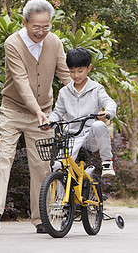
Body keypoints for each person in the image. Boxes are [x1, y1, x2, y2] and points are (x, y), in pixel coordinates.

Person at [0, 0, 71, 234]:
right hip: (13, 110)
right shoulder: (13, 43)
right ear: (25, 23)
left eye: (46, 27)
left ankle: (40, 218)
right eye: (36, 27)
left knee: (41, 166)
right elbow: (20, 81)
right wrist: (36, 111)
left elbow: (65, 75)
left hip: (43, 115)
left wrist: (85, 98)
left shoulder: (54, 42)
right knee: (5, 158)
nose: (42, 32)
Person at [42, 47, 117, 177]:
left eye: (80, 71)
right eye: (72, 71)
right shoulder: (64, 92)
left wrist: (108, 112)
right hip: (71, 138)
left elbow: (109, 102)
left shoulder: (97, 89)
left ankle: (107, 162)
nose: (76, 75)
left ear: (89, 68)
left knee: (98, 125)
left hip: (89, 137)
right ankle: (59, 197)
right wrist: (50, 122)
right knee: (59, 167)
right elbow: (57, 112)